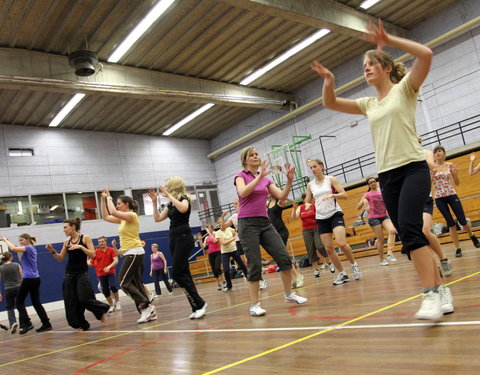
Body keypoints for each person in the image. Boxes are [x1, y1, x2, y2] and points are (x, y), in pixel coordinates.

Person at [311, 19, 453, 319]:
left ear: (387, 67)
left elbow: (425, 54)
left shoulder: (405, 89)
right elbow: (331, 102)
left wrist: (390, 40)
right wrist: (328, 81)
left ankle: (429, 295)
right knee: (409, 235)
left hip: (413, 169)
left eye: (371, 63)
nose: (366, 68)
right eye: (364, 65)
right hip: (387, 176)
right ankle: (440, 289)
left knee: (413, 230)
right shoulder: (367, 104)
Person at [235, 146, 307, 316]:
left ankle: (289, 294)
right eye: (251, 155)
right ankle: (254, 305)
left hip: (265, 222)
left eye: (256, 154)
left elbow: (282, 197)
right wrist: (259, 176)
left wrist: (289, 181)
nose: (255, 156)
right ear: (245, 160)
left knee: (284, 258)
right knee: (254, 264)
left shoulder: (266, 180)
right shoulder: (241, 176)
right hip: (247, 223)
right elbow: (243, 192)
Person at [148, 177, 208, 319]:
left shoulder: (184, 197)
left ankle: (200, 303)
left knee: (176, 273)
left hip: (184, 236)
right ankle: (196, 306)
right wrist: (155, 201)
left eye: (168, 185)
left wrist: (168, 196)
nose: (166, 187)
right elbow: (157, 219)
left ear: (174, 186)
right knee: (184, 273)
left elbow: (183, 208)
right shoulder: (170, 204)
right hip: (173, 238)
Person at [100, 191, 155, 323]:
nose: (117, 206)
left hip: (134, 252)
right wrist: (103, 200)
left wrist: (108, 197)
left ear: (127, 204)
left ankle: (147, 306)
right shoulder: (124, 219)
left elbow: (112, 211)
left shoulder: (132, 215)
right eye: (116, 204)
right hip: (130, 253)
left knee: (123, 283)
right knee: (135, 283)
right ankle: (148, 312)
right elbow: (106, 216)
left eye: (119, 204)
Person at [304, 159, 362, 285]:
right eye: (311, 168)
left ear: (321, 167)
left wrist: (333, 196)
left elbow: (344, 194)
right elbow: (307, 200)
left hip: (335, 214)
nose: (313, 169)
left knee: (341, 243)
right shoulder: (310, 185)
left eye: (315, 166)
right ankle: (342, 273)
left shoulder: (331, 179)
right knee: (329, 249)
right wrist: (308, 204)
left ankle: (354, 265)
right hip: (321, 217)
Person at [47, 218, 109, 331]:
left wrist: (80, 247)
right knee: (71, 301)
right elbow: (60, 258)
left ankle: (102, 310)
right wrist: (52, 251)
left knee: (84, 298)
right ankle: (81, 324)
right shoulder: (66, 242)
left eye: (65, 227)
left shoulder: (85, 238)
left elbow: (93, 254)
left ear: (73, 227)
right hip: (69, 274)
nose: (63, 230)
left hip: (82, 273)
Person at [432, 145, 480, 257]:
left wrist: (455, 173)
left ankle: (471, 235)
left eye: (440, 151)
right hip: (439, 198)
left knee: (462, 221)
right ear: (434, 155)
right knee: (451, 224)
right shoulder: (432, 167)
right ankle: (457, 248)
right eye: (435, 152)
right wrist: (432, 174)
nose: (438, 153)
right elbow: (428, 183)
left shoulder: (450, 165)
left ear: (443, 153)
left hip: (452, 194)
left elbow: (457, 182)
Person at [2, 233, 52, 334]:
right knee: (36, 302)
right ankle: (46, 324)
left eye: (22, 240)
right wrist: (17, 250)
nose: (20, 242)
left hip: (29, 279)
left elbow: (13, 249)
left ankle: (27, 322)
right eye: (19, 240)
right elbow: (21, 257)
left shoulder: (28, 248)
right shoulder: (30, 249)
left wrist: (5, 240)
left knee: (19, 302)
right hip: (35, 278)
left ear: (27, 240)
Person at [291, 193, 335, 277]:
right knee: (310, 249)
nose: (308, 199)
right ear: (303, 200)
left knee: (320, 246)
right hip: (306, 230)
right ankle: (315, 269)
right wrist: (294, 208)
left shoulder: (315, 205)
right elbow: (294, 217)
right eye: (305, 198)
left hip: (316, 227)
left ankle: (329, 262)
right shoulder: (301, 207)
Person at [356, 177, 398, 266]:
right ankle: (382, 259)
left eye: (374, 181)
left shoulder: (382, 192)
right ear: (368, 185)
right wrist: (363, 202)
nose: (373, 183)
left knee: (392, 231)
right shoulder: (367, 194)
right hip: (374, 218)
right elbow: (358, 207)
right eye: (371, 182)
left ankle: (390, 253)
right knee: (381, 239)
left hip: (384, 216)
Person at [267, 195, 304, 288]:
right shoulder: (267, 204)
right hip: (274, 233)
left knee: (283, 256)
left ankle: (297, 276)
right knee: (280, 258)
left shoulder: (279, 202)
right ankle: (293, 278)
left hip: (282, 232)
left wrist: (291, 200)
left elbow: (283, 197)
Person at [88, 236, 121, 313]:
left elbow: (116, 261)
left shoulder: (111, 250)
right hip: (100, 274)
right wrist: (87, 262)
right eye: (99, 242)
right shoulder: (96, 252)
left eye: (102, 241)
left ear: (105, 242)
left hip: (110, 272)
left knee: (112, 286)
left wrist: (109, 267)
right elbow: (91, 262)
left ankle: (118, 302)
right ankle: (112, 305)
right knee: (105, 290)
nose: (101, 243)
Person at [215, 220, 248, 292]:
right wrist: (233, 239)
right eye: (219, 224)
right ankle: (229, 285)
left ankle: (249, 279)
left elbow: (235, 232)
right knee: (226, 270)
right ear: (218, 225)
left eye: (221, 223)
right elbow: (223, 243)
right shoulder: (218, 233)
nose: (220, 225)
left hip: (234, 250)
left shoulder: (229, 229)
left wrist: (235, 233)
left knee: (242, 265)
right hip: (225, 252)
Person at [0, 251, 21, 334]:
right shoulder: (16, 264)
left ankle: (12, 323)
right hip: (18, 287)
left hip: (8, 289)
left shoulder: (1, 268)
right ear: (10, 257)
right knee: (20, 305)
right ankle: (23, 324)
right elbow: (22, 275)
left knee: (9, 307)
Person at [200, 224, 224, 291]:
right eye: (208, 228)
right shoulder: (206, 238)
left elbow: (215, 241)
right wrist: (200, 240)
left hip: (218, 252)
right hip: (211, 254)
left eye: (210, 228)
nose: (209, 229)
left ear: (212, 228)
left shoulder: (216, 234)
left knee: (217, 267)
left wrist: (209, 233)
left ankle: (224, 281)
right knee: (214, 270)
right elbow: (203, 246)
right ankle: (218, 284)